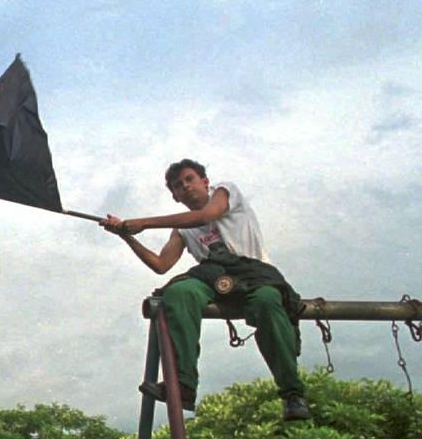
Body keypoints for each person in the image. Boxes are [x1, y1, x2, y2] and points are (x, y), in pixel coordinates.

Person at [101, 159, 310, 421]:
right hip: (214, 278)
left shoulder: (225, 192)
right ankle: (183, 384)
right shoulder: (182, 230)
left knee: (268, 301)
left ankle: (292, 394)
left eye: (190, 179)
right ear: (175, 196)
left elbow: (206, 216)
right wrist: (126, 235)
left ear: (205, 181)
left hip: (253, 273)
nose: (186, 187)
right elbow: (161, 264)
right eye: (178, 186)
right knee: (179, 293)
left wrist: (144, 222)